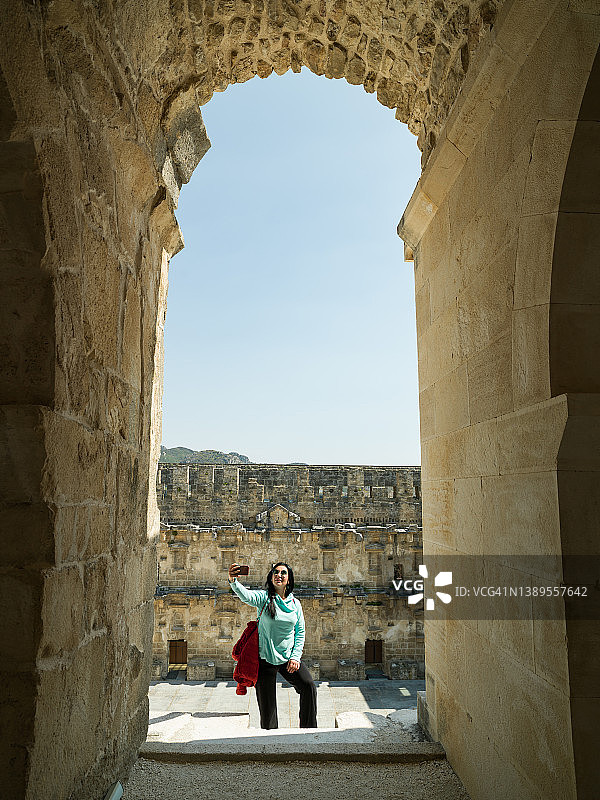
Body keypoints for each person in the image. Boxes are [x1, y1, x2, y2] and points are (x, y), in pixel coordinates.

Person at [228, 561, 317, 729]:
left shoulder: (295, 605)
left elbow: (300, 632)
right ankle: (271, 742)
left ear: (289, 580)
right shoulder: (264, 598)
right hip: (265, 660)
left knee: (308, 686)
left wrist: (295, 657)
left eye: (283, 573)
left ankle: (308, 729)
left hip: (288, 659)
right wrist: (233, 581)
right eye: (275, 572)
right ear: (271, 577)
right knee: (268, 709)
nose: (279, 575)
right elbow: (246, 595)